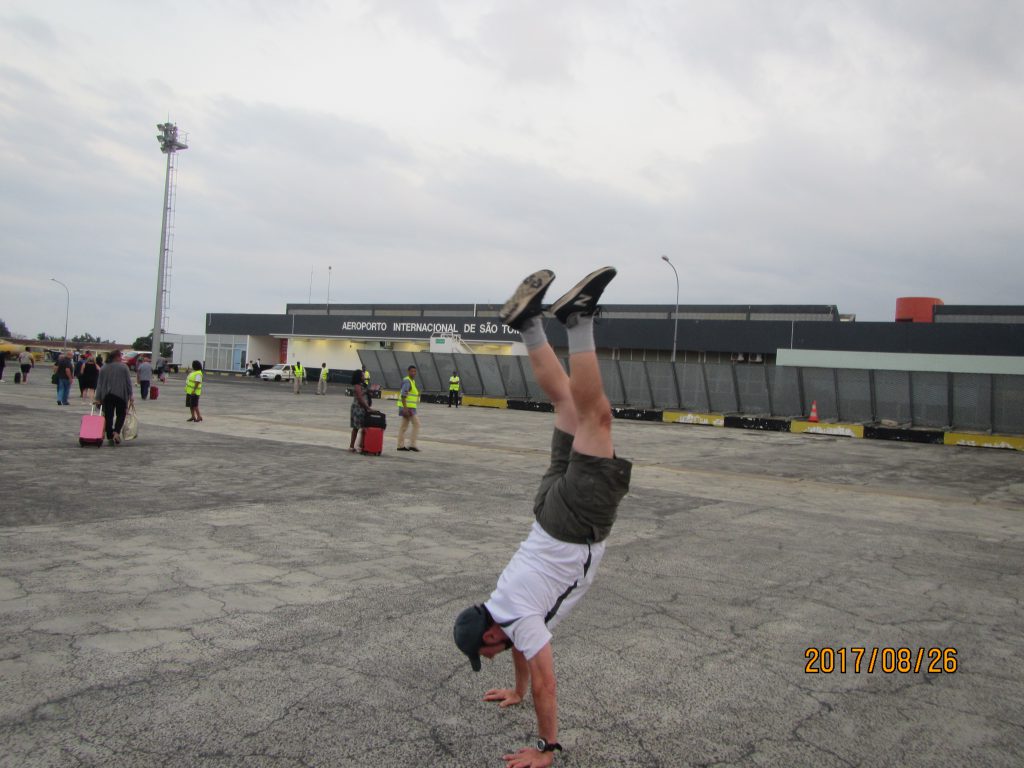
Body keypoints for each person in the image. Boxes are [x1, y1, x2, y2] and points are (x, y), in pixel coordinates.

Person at [453, 267, 631, 768]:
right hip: (547, 510)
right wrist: (516, 691)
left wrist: (546, 748)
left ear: (490, 634)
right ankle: (529, 324)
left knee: (596, 418)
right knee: (567, 404)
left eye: (483, 654)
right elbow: (517, 648)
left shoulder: (520, 622)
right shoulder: (502, 603)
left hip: (574, 525)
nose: (487, 657)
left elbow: (546, 681)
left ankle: (578, 320)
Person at [92, 349, 135, 445]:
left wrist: (97, 398)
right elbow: (128, 383)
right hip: (121, 395)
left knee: (108, 416)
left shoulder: (104, 367)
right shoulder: (124, 367)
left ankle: (110, 436)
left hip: (107, 396)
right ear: (117, 357)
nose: (121, 358)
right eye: (120, 356)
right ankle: (116, 432)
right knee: (121, 415)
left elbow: (99, 384)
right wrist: (131, 395)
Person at [396, 364, 420, 452]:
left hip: (410, 408)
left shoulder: (412, 381)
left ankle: (400, 445)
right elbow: (403, 396)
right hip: (408, 408)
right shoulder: (407, 382)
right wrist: (405, 408)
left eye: (415, 371)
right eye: (412, 371)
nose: (413, 373)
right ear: (408, 372)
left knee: (403, 427)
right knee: (417, 424)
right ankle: (412, 445)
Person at [349, 368, 373, 452]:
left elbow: (362, 395)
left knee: (359, 428)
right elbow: (360, 398)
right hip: (358, 409)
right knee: (360, 427)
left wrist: (367, 392)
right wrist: (368, 408)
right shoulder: (357, 386)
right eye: (362, 376)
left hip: (360, 408)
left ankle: (356, 446)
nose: (364, 377)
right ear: (359, 377)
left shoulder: (361, 385)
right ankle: (358, 446)